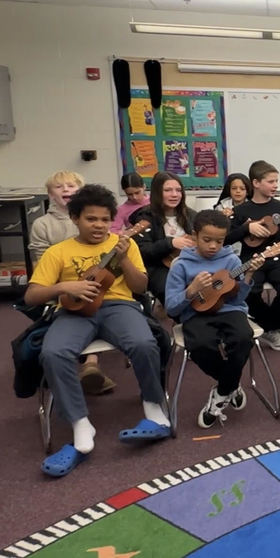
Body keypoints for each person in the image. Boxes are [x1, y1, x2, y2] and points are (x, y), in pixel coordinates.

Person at [26, 185, 171, 478]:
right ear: (75, 218)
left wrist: (125, 258)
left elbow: (141, 287)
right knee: (53, 353)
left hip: (118, 305)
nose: (99, 226)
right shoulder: (59, 252)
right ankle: (81, 424)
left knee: (144, 342)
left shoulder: (124, 243)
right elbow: (31, 296)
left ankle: (154, 409)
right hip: (74, 310)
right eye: (91, 219)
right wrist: (65, 286)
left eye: (105, 220)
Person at [164, 210, 262, 428]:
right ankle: (231, 385)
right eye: (207, 240)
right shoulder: (181, 265)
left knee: (243, 337)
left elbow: (238, 296)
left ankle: (221, 392)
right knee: (200, 344)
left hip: (230, 310)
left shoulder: (231, 260)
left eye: (219, 241)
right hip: (195, 314)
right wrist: (191, 290)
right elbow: (171, 306)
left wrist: (247, 276)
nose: (213, 246)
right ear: (194, 236)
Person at [28, 170, 115, 395]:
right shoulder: (42, 224)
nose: (66, 189)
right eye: (59, 187)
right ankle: (83, 367)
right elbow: (39, 261)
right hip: (59, 283)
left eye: (71, 186)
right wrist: (61, 285)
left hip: (95, 283)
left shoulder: (98, 219)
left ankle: (90, 364)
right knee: (76, 309)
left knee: (98, 299)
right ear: (49, 194)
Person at [224, 160, 280, 350]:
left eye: (277, 181)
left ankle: (271, 324)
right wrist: (246, 227)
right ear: (256, 183)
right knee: (245, 288)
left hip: (279, 257)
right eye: (271, 181)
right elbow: (226, 239)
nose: (276, 185)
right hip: (252, 259)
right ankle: (269, 326)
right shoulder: (240, 211)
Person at [128, 171, 197, 305]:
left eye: (178, 190)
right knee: (173, 292)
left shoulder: (191, 215)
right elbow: (142, 251)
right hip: (158, 268)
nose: (174, 194)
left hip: (191, 265)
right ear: (157, 192)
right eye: (168, 190)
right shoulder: (145, 217)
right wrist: (171, 243)